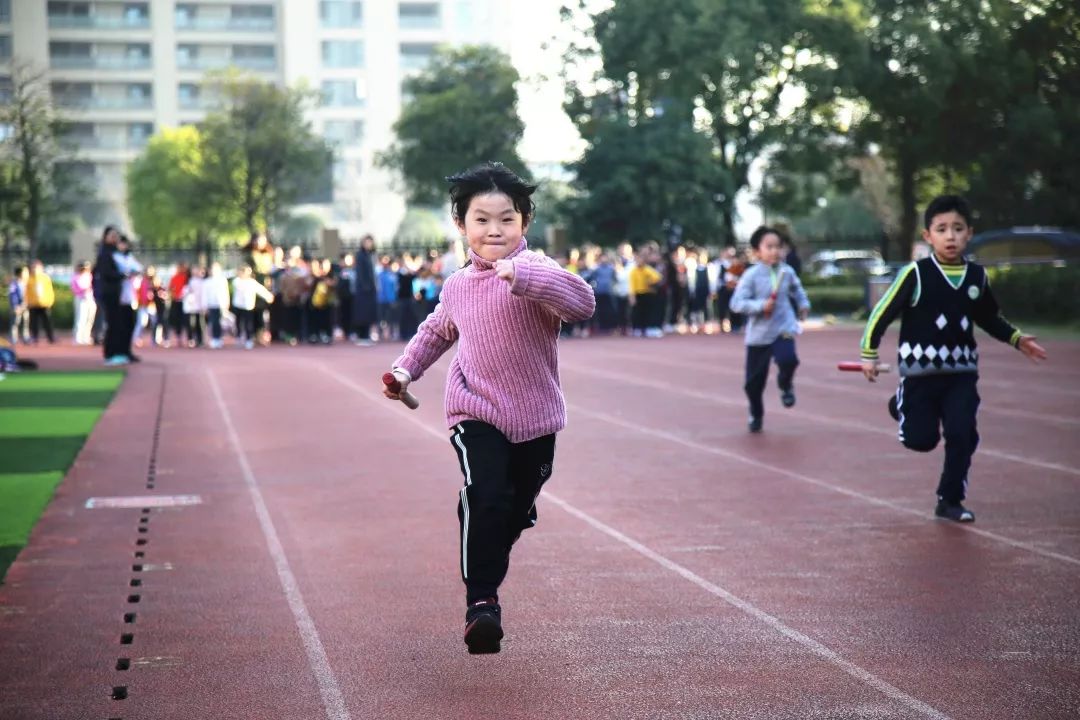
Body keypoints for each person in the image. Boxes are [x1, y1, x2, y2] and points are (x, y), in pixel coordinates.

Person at [382, 161, 595, 655]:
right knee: (487, 492)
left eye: (507, 219)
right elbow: (436, 331)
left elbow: (582, 303)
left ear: (524, 222)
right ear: (461, 225)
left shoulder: (538, 272)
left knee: (510, 510)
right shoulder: (457, 285)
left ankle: (493, 516)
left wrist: (523, 276)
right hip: (473, 408)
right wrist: (404, 371)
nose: (494, 229)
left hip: (535, 417)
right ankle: (482, 604)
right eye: (481, 219)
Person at [860, 195, 1047, 522]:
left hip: (962, 374)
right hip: (920, 375)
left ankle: (950, 500)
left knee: (963, 434)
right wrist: (869, 353)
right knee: (921, 440)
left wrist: (1016, 339)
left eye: (958, 229)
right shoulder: (915, 275)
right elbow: (882, 313)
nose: (950, 236)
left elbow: (989, 318)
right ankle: (901, 404)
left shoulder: (977, 277)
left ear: (969, 233)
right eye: (942, 229)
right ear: (927, 236)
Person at [729, 226, 811, 433]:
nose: (775, 251)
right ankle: (756, 413)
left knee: (788, 359)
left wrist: (803, 304)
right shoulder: (751, 275)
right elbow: (737, 303)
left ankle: (786, 385)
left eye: (778, 247)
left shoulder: (787, 271)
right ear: (757, 251)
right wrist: (760, 306)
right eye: (769, 247)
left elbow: (797, 290)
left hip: (783, 327)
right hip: (759, 335)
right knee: (753, 384)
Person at [231, 265, 275, 349]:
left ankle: (249, 339)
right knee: (238, 323)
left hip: (248, 306)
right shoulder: (237, 281)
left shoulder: (252, 282)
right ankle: (239, 337)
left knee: (249, 323)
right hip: (238, 306)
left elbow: (260, 289)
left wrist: (268, 296)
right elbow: (238, 285)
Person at [25, 261, 56, 344]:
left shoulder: (45, 278)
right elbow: (26, 292)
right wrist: (27, 302)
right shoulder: (29, 279)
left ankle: (51, 337)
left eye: (36, 267)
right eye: (33, 267)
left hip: (44, 303)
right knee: (34, 322)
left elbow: (50, 291)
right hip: (33, 304)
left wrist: (50, 301)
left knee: (47, 321)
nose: (35, 269)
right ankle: (35, 337)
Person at [7, 266, 30, 345]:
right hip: (17, 306)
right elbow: (12, 295)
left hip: (25, 305)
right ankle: (14, 338)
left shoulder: (27, 283)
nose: (27, 274)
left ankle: (26, 337)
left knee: (26, 322)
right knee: (15, 322)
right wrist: (15, 306)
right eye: (25, 272)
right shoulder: (14, 284)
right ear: (20, 274)